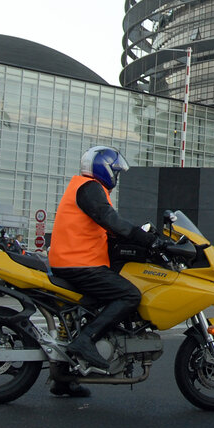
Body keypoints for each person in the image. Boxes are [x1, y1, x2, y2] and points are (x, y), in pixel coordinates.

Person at [47, 145, 159, 398]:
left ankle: (64, 378)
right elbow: (109, 219)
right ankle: (85, 339)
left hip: (73, 262)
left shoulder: (83, 188)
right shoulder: (90, 188)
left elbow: (101, 226)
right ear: (103, 168)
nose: (116, 178)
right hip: (79, 265)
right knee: (129, 295)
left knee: (86, 311)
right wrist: (146, 239)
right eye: (115, 172)